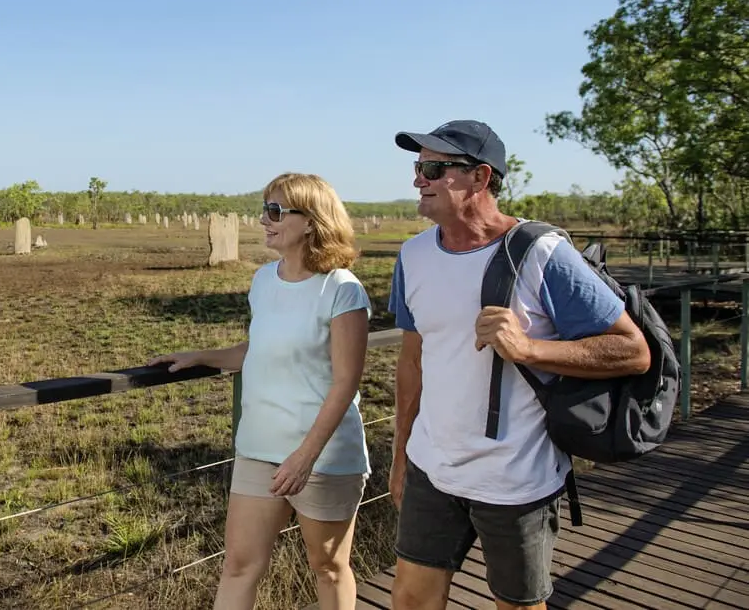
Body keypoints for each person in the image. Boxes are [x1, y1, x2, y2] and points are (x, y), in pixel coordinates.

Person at [386, 120, 651, 610]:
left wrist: (530, 349)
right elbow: (412, 362)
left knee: (518, 605)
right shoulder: (413, 255)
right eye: (418, 167)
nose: (418, 179)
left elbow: (633, 351)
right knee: (410, 600)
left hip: (517, 477)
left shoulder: (542, 253)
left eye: (434, 169)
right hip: (431, 467)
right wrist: (402, 455)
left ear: (481, 177)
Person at [148, 172, 372, 610]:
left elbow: (346, 382)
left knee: (328, 567)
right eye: (264, 210)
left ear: (311, 221)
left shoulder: (342, 289)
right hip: (258, 449)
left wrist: (304, 458)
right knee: (239, 566)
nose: (264, 220)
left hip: (321, 456)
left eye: (275, 211)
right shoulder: (264, 280)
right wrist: (201, 356)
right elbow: (258, 350)